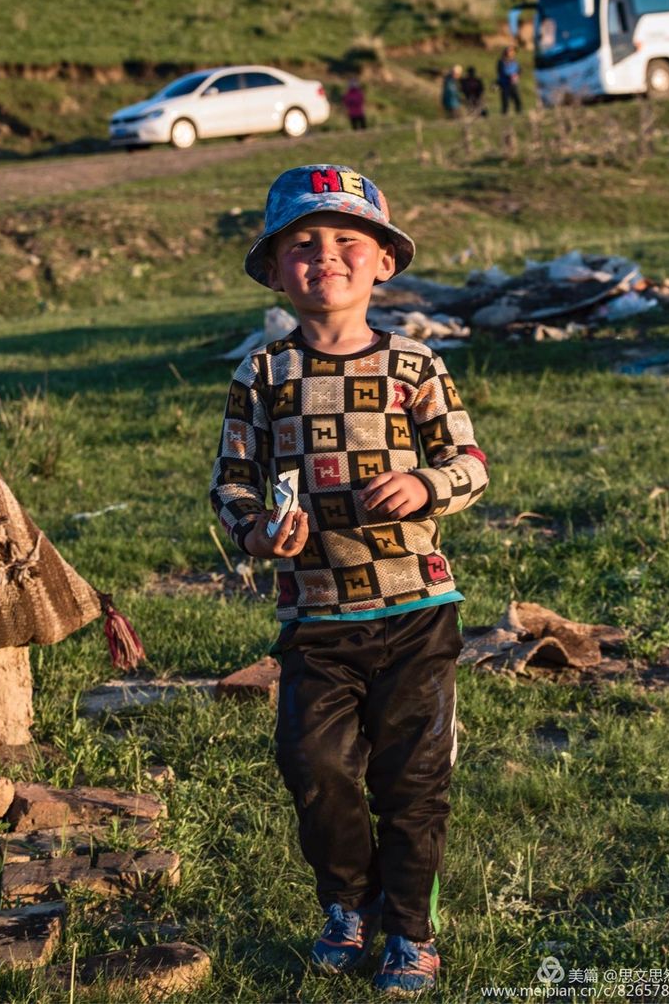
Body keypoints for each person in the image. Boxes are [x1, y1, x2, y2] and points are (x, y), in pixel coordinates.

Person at [210, 164, 489, 995]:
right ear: (272, 269)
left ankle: (410, 931)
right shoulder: (263, 376)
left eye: (345, 241)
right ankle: (347, 904)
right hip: (315, 617)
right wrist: (257, 529)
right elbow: (229, 484)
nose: (324, 256)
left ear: (383, 263)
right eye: (302, 243)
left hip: (416, 612)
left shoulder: (415, 367)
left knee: (412, 778)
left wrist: (426, 486)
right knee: (315, 766)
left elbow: (470, 464)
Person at [496, 45, 522, 114]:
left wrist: (517, 76)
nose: (511, 53)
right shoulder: (501, 62)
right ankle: (505, 114)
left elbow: (519, 71)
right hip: (505, 84)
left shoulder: (515, 62)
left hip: (513, 83)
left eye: (512, 51)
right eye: (510, 51)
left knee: (517, 99)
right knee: (505, 101)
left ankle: (519, 113)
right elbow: (500, 72)